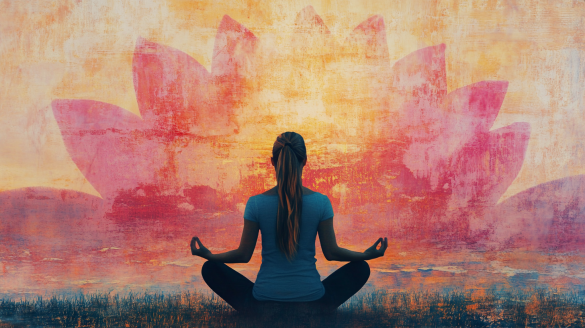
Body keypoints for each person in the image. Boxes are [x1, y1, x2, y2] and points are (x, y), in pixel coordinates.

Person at [190, 131, 388, 314]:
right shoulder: (321, 202)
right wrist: (365, 255)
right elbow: (331, 252)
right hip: (313, 302)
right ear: (305, 161)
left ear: (272, 162)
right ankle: (311, 312)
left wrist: (209, 255)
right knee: (361, 267)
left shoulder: (256, 203)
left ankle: (264, 313)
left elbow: (243, 255)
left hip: (262, 302)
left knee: (211, 267)